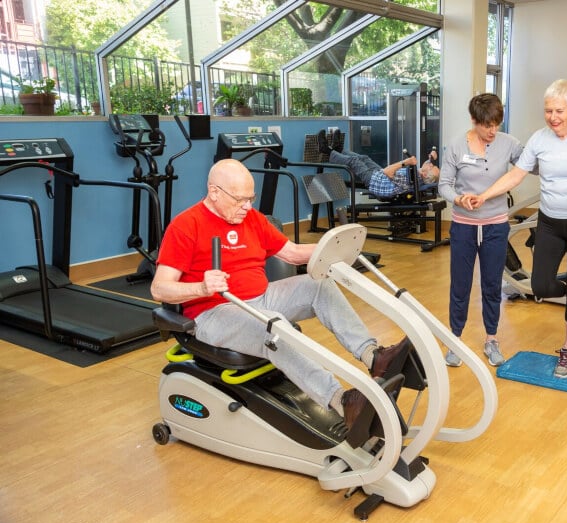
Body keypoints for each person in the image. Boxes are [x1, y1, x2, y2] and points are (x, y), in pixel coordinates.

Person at [150, 158, 410, 434]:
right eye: (239, 200)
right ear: (214, 192)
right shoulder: (186, 225)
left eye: (250, 198)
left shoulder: (252, 219)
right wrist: (201, 287)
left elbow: (292, 252)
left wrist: (336, 245)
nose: (247, 207)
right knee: (273, 326)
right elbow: (159, 289)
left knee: (317, 285)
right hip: (215, 312)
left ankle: (373, 356)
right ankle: (342, 402)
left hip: (262, 297)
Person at [463, 79, 567, 379]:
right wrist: (485, 195)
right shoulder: (540, 139)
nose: (553, 117)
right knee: (540, 285)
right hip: (551, 221)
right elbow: (516, 175)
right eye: (548, 111)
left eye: (559, 111)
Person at [437, 93, 524, 368]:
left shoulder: (509, 143)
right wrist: (458, 199)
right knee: (460, 286)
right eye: (487, 125)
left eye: (497, 124)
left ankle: (491, 339)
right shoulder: (455, 146)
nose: (492, 131)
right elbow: (444, 185)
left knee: (491, 285)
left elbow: (531, 165)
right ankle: (455, 340)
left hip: (496, 226)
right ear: (474, 121)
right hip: (463, 227)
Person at [317, 130, 439, 200]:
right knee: (364, 158)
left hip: (375, 181)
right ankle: (339, 149)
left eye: (432, 166)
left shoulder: (411, 178)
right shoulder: (421, 176)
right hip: (380, 176)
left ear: (424, 173)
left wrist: (405, 162)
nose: (431, 164)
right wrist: (432, 156)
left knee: (354, 162)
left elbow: (387, 171)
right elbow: (426, 165)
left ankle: (326, 151)